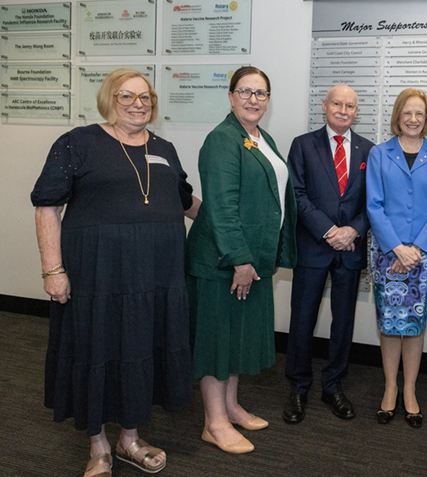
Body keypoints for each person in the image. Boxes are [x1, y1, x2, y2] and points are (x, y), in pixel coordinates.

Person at [32, 69, 200, 477]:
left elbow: (184, 202)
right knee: (97, 348)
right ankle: (98, 445)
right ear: (109, 98)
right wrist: (52, 269)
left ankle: (129, 438)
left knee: (140, 350)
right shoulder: (77, 142)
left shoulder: (165, 147)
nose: (138, 104)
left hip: (155, 277)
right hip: (98, 276)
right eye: (127, 96)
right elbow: (47, 207)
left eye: (145, 97)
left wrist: (235, 229)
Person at [186, 66, 297, 454]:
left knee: (237, 338)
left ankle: (230, 407)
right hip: (223, 264)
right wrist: (240, 259)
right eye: (245, 91)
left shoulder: (259, 137)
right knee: (218, 341)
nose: (253, 99)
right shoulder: (222, 139)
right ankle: (213, 422)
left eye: (261, 93)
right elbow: (220, 206)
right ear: (231, 96)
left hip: (250, 260)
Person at [283, 85, 374, 423]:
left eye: (350, 105)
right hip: (313, 246)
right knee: (302, 319)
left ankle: (333, 385)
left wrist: (352, 230)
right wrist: (329, 231)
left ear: (355, 111)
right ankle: (298, 387)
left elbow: (373, 201)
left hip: (350, 249)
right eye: (337, 103)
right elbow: (297, 193)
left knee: (343, 322)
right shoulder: (303, 145)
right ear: (325, 106)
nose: (343, 110)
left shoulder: (369, 150)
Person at [366, 88, 427, 428]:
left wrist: (416, 250)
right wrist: (396, 248)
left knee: (414, 324)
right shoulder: (379, 154)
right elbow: (373, 204)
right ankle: (390, 388)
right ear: (397, 116)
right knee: (389, 324)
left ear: (426, 117)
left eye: (419, 113)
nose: (413, 119)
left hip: (423, 256)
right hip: (387, 255)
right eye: (407, 112)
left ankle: (410, 391)